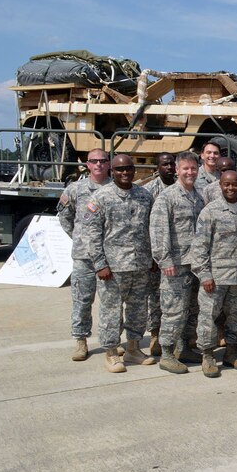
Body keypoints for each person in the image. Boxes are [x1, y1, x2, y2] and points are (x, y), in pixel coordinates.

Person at [86, 154, 156, 373]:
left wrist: (153, 257)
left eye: (128, 169)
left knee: (138, 310)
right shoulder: (101, 197)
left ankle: (134, 349)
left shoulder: (144, 196)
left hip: (140, 265)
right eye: (119, 169)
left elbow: (152, 229)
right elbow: (93, 234)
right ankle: (111, 353)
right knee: (111, 312)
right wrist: (100, 264)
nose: (125, 173)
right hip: (113, 269)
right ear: (112, 171)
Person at [150, 151, 206, 374]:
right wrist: (164, 260)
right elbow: (158, 230)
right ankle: (167, 353)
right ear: (177, 169)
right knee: (173, 310)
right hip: (176, 264)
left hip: (196, 264)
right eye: (186, 168)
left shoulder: (198, 196)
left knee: (191, 309)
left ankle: (184, 348)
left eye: (193, 168)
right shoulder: (167, 197)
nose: (190, 172)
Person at [190, 170, 237, 378]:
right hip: (215, 278)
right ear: (220, 186)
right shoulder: (210, 212)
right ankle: (207, 355)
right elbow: (199, 247)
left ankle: (232, 352)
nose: (231, 188)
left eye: (235, 184)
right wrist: (204, 274)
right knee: (208, 316)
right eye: (227, 184)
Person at [58, 148, 112, 362]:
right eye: (94, 161)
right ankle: (80, 341)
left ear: (108, 164)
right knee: (82, 299)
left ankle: (111, 341)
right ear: (87, 165)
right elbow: (64, 216)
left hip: (109, 256)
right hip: (83, 257)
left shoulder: (115, 188)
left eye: (102, 161)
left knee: (110, 303)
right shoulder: (76, 189)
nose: (98, 164)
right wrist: (79, 238)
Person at [142, 152, 176, 356]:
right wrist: (155, 255)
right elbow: (147, 226)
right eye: (165, 164)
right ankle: (155, 334)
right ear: (158, 167)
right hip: (157, 257)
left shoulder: (185, 188)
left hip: (179, 255)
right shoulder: (149, 192)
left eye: (172, 163)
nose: (169, 168)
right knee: (155, 298)